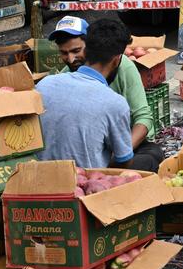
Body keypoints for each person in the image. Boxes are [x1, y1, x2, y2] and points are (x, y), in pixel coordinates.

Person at [48, 15, 165, 170]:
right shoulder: (63, 76)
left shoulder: (124, 68)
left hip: (119, 142)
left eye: (76, 51)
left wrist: (121, 151)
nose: (70, 59)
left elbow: (143, 117)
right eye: (64, 53)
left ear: (90, 46)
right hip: (89, 145)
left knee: (152, 153)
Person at [36, 18, 134, 169]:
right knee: (148, 158)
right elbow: (124, 161)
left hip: (38, 175)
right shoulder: (115, 103)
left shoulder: (44, 84)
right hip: (83, 181)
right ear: (116, 60)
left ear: (86, 51)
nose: (70, 59)